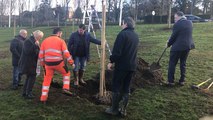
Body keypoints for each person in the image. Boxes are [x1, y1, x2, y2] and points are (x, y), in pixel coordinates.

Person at [105, 17, 139, 117]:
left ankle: (114, 109)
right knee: (126, 87)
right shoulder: (135, 36)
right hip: (132, 66)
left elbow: (117, 52)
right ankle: (123, 109)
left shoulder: (122, 35)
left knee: (116, 85)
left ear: (126, 24)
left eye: (122, 23)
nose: (121, 25)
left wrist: (111, 61)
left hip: (122, 66)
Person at [39, 28, 75, 103]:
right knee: (66, 73)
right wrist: (71, 63)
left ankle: (43, 98)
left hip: (48, 64)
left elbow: (41, 55)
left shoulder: (45, 41)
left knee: (47, 79)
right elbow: (66, 53)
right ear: (59, 33)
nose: (61, 35)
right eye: (61, 33)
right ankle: (65, 88)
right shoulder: (61, 41)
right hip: (58, 63)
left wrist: (43, 65)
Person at [166, 11, 195, 86]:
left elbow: (173, 36)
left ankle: (170, 81)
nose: (175, 19)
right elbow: (183, 34)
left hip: (177, 47)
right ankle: (182, 81)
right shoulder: (190, 23)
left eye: (175, 17)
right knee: (183, 63)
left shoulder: (177, 24)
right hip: (187, 46)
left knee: (172, 63)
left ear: (179, 16)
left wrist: (168, 44)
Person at [19, 30, 44, 99]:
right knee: (32, 78)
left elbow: (36, 52)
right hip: (28, 64)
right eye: (40, 37)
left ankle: (25, 92)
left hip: (31, 63)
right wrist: (35, 46)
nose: (41, 39)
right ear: (37, 36)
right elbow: (28, 52)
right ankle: (28, 93)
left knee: (29, 78)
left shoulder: (32, 41)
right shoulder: (28, 41)